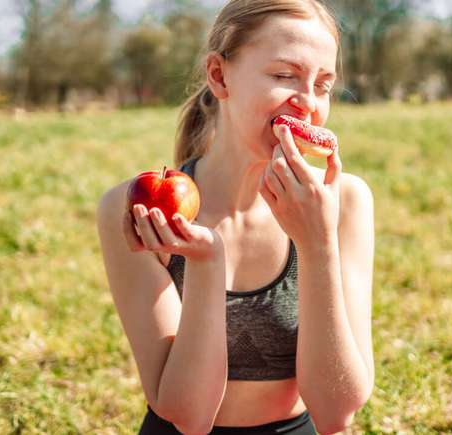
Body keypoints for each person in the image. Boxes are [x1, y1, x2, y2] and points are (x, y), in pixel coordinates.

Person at [96, 1, 374, 433]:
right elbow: (188, 416)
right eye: (284, 76)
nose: (307, 103)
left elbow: (336, 413)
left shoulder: (346, 201)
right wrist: (206, 263)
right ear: (219, 76)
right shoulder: (138, 208)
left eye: (323, 85)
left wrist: (317, 244)